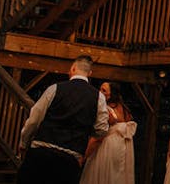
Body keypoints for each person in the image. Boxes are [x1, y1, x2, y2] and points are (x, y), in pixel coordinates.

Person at [17, 55, 109, 184]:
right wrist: (85, 130)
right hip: (70, 158)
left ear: (72, 69)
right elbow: (102, 130)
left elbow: (34, 119)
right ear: (90, 74)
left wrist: (23, 142)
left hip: (42, 151)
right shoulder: (98, 97)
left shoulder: (55, 88)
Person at [80, 81, 136, 184]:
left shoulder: (106, 111)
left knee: (102, 174)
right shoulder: (124, 109)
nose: (99, 92)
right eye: (100, 89)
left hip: (107, 147)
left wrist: (84, 156)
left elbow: (98, 138)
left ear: (111, 95)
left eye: (104, 90)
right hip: (121, 148)